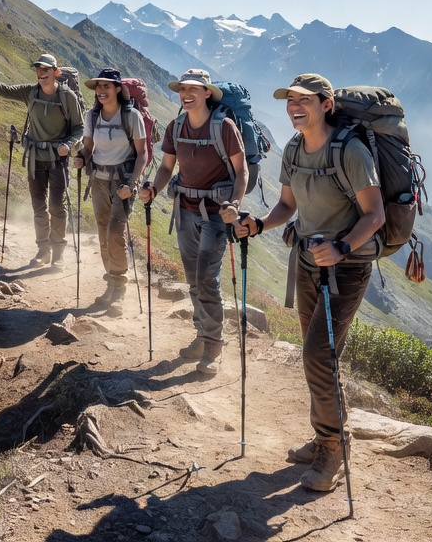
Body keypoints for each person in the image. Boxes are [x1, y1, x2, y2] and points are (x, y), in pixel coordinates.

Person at [235, 73, 386, 492]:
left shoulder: (351, 152)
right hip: (305, 261)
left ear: (326, 104)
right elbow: (287, 204)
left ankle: (334, 451)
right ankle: (327, 436)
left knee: (320, 354)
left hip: (346, 268)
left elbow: (375, 216)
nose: (294, 107)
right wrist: (260, 225)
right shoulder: (295, 148)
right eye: (289, 101)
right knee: (315, 354)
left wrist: (340, 247)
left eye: (304, 100)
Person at [137, 69, 246, 375]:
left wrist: (234, 205)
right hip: (184, 211)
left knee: (207, 279)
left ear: (207, 93)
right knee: (193, 279)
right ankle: (202, 335)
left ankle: (213, 344)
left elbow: (242, 172)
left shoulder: (224, 127)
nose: (185, 94)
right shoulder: (176, 126)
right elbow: (167, 167)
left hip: (215, 214)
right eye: (182, 88)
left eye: (193, 89)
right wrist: (153, 189)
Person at [0, 51, 84, 267]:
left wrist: (68, 145)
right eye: (38, 69)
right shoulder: (30, 93)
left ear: (55, 72)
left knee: (57, 206)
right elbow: (2, 89)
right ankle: (44, 250)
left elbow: (79, 127)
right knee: (39, 206)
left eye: (45, 69)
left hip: (58, 160)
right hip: (34, 158)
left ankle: (58, 252)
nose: (41, 73)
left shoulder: (68, 97)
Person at [71, 68, 147, 316]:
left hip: (123, 183)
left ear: (117, 89)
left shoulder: (131, 116)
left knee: (115, 232)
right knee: (103, 233)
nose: (101, 91)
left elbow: (142, 153)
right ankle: (111, 285)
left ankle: (120, 286)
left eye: (106, 86)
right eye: (98, 87)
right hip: (99, 181)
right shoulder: (92, 116)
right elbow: (89, 146)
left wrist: (133, 184)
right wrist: (81, 157)